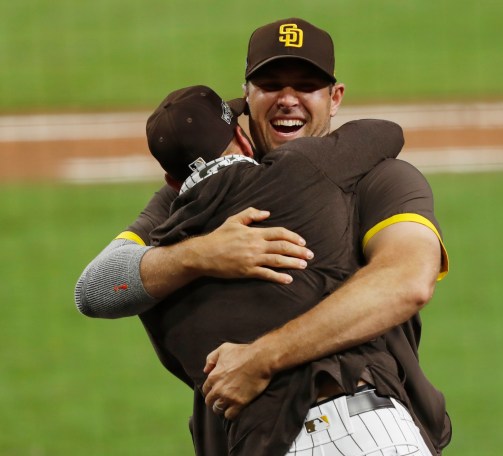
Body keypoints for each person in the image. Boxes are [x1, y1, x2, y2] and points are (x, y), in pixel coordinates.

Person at [75, 17, 451, 455]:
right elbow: (96, 288)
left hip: (340, 418)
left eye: (306, 85)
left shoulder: (381, 179)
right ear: (246, 99)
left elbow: (406, 280)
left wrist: (263, 357)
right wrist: (204, 254)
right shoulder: (183, 208)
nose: (287, 99)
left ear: (335, 97)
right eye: (270, 85)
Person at [140, 82, 427, 455]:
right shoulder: (302, 170)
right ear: (242, 140)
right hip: (362, 427)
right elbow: (387, 132)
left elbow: (203, 379)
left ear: (170, 182)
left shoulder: (154, 278)